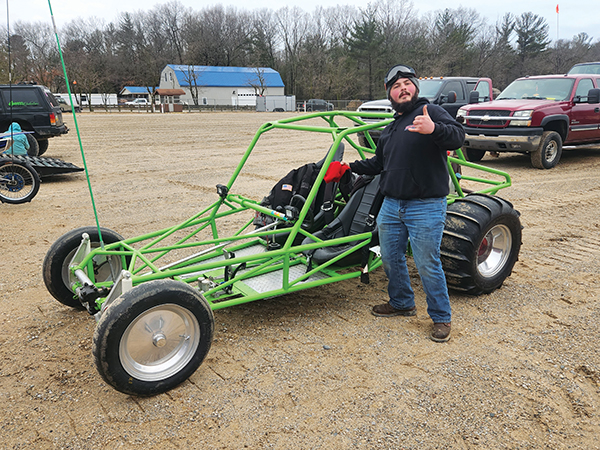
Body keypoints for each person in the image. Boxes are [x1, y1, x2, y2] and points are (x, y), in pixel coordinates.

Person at [348, 64, 465, 342]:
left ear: (415, 88)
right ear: (389, 93)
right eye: (396, 86)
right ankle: (402, 303)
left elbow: (458, 136)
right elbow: (378, 163)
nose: (403, 89)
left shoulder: (430, 112)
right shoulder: (390, 129)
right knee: (389, 257)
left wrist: (434, 128)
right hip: (392, 204)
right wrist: (347, 167)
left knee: (427, 262)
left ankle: (441, 317)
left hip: (425, 204)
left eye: (407, 84)